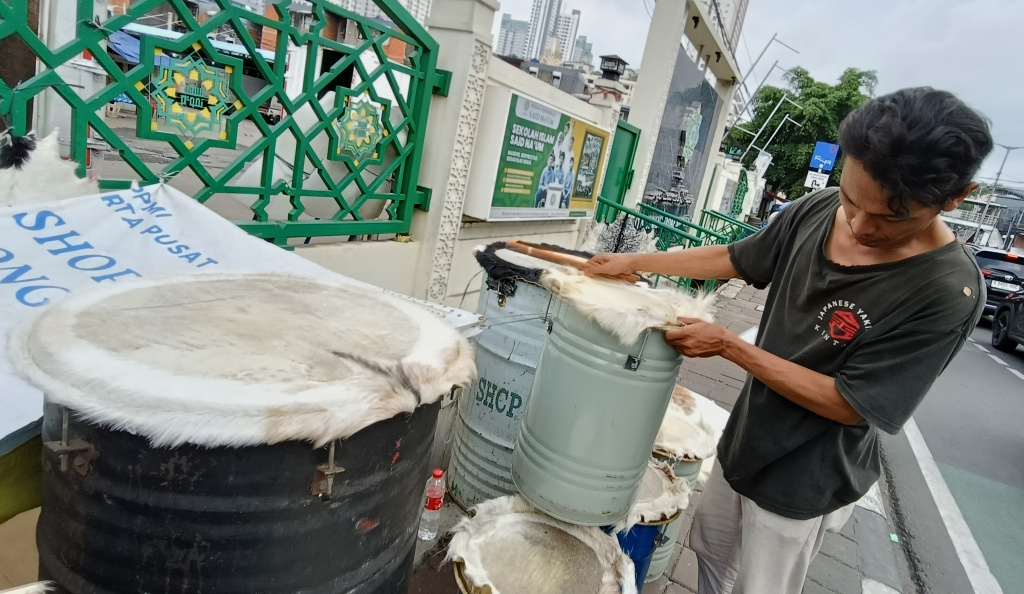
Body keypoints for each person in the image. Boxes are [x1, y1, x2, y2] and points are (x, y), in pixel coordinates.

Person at [584, 87, 993, 594]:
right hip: (745, 441)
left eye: (892, 217)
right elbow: (735, 257)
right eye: (851, 199)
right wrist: (634, 263)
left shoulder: (948, 291)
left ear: (957, 197)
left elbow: (849, 404)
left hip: (805, 477)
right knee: (709, 556)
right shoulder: (817, 208)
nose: (860, 226)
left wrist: (730, 346)